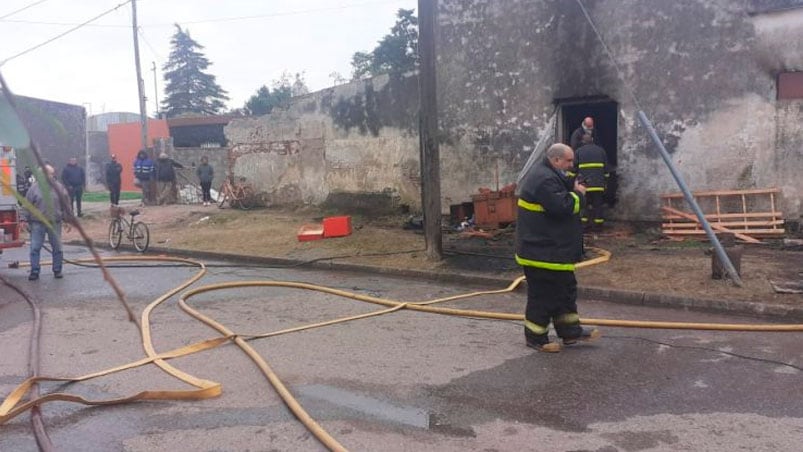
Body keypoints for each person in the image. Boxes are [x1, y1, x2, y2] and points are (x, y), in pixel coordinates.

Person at [515, 143, 600, 352]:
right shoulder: (543, 179)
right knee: (543, 296)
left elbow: (559, 184)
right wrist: (579, 193)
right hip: (541, 252)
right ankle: (535, 337)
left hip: (554, 251)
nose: (572, 165)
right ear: (556, 160)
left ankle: (570, 332)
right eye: (569, 161)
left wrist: (572, 181)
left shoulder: (548, 174)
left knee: (565, 291)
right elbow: (563, 206)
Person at [25, 163, 71, 281]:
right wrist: (24, 220)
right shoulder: (33, 189)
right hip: (37, 223)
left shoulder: (59, 188)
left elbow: (66, 205)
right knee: (35, 248)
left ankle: (57, 270)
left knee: (57, 248)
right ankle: (34, 271)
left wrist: (68, 220)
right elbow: (26, 205)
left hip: (54, 222)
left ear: (52, 174)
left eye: (47, 173)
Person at [574, 133, 610, 231]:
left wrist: (572, 180)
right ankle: (598, 225)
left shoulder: (578, 151)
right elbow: (606, 168)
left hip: (584, 184)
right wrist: (605, 180)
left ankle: (585, 224)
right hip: (598, 184)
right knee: (597, 204)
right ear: (593, 139)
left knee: (584, 204)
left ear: (582, 141)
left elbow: (574, 168)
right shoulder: (601, 150)